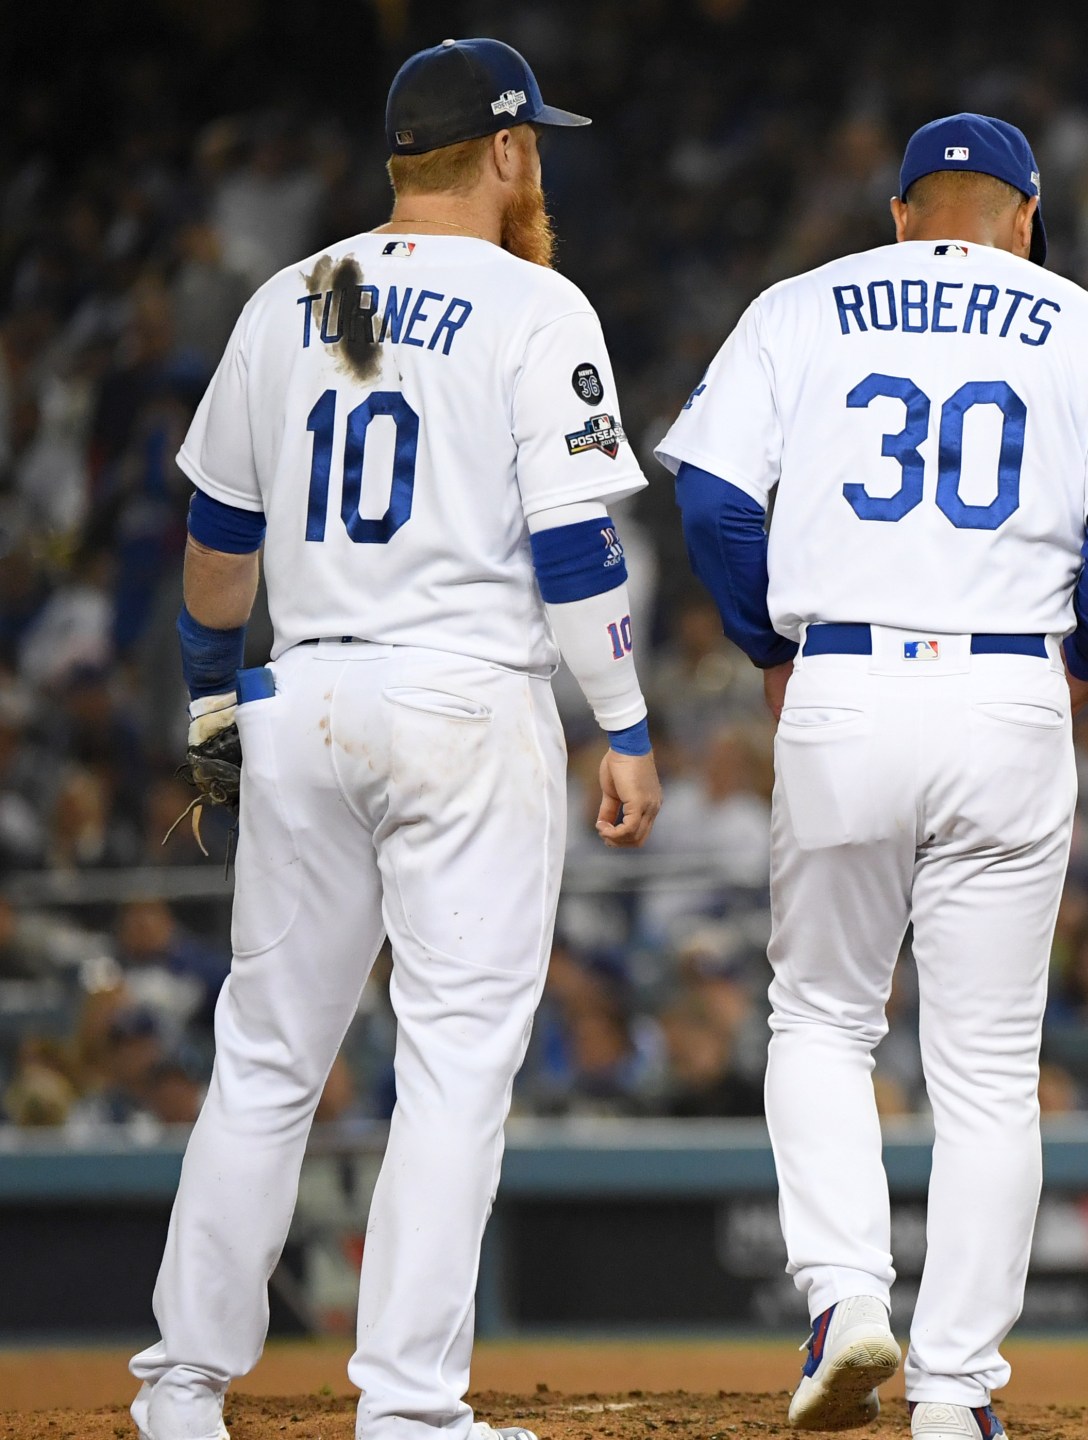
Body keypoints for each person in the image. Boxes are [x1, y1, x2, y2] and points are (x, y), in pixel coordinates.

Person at [129, 38, 662, 1440]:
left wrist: (206, 701)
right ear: (501, 151)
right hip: (462, 702)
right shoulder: (537, 306)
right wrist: (626, 723)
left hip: (299, 693)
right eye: (529, 138)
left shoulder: (284, 298)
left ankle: (181, 1389)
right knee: (454, 1065)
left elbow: (218, 541)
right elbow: (572, 543)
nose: (534, 157)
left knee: (265, 1055)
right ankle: (409, 1409)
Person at [661, 113, 1088, 1438]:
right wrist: (1081, 655)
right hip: (1008, 689)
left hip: (842, 679)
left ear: (903, 213)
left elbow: (716, 505)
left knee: (823, 1021)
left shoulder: (799, 306)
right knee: (989, 1072)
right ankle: (956, 1396)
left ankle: (845, 1296)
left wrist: (759, 643)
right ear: (1025, 218)